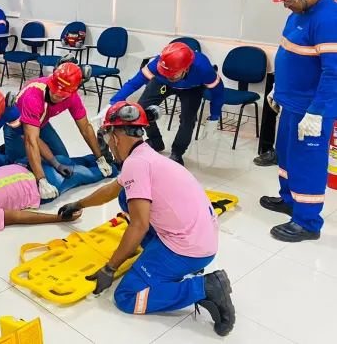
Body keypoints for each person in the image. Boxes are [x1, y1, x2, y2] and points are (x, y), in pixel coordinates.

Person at [57, 101, 235, 337]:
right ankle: (164, 262)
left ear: (115, 137)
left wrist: (110, 268)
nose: (109, 145)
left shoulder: (136, 164)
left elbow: (139, 225)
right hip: (201, 239)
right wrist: (79, 204)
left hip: (188, 250)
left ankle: (204, 288)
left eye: (108, 138)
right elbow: (111, 190)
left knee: (126, 297)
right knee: (125, 195)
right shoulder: (146, 155)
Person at [259, 0, 337, 242]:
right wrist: (278, 88)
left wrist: (317, 111)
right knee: (287, 155)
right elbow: (289, 53)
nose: (286, 5)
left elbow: (333, 72)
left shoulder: (328, 19)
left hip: (312, 108)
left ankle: (307, 222)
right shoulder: (298, 11)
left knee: (307, 163)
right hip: (291, 102)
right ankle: (290, 199)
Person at [5, 60, 111, 200]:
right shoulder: (33, 96)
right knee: (19, 165)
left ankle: (100, 161)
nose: (56, 96)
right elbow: (31, 141)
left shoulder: (72, 97)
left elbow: (85, 128)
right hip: (18, 129)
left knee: (63, 159)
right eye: (54, 91)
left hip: (41, 123)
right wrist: (42, 180)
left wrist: (100, 158)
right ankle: (4, 151)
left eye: (61, 95)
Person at [108, 42, 224, 166]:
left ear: (186, 68)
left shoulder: (204, 69)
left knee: (188, 120)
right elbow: (134, 83)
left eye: (173, 75)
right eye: (166, 72)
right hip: (162, 82)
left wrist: (214, 117)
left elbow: (218, 93)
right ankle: (155, 141)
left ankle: (177, 153)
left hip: (192, 88)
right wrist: (113, 102)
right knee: (142, 110)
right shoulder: (158, 64)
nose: (170, 77)